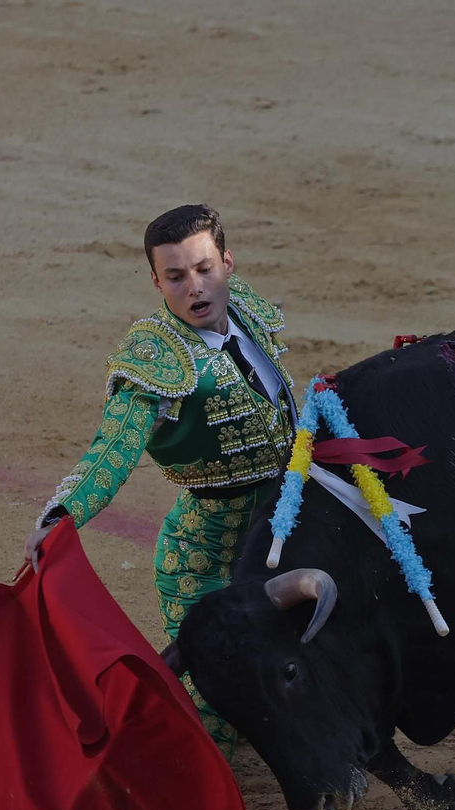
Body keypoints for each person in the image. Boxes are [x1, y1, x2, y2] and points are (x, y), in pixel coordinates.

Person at [24, 204, 297, 759]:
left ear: (227, 263)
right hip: (205, 555)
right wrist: (62, 513)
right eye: (175, 277)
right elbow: (116, 447)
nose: (194, 288)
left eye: (203, 270)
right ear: (156, 280)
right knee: (211, 714)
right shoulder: (156, 356)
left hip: (279, 531)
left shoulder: (242, 307)